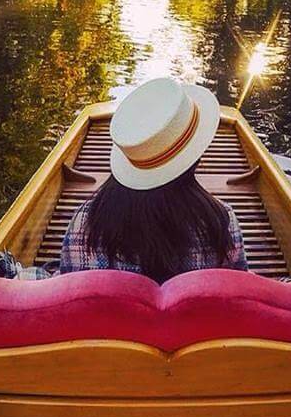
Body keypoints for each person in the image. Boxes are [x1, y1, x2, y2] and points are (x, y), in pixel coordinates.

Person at [61, 77, 247, 282]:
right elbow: (237, 292)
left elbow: (67, 291)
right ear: (194, 159)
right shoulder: (221, 222)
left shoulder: (83, 223)